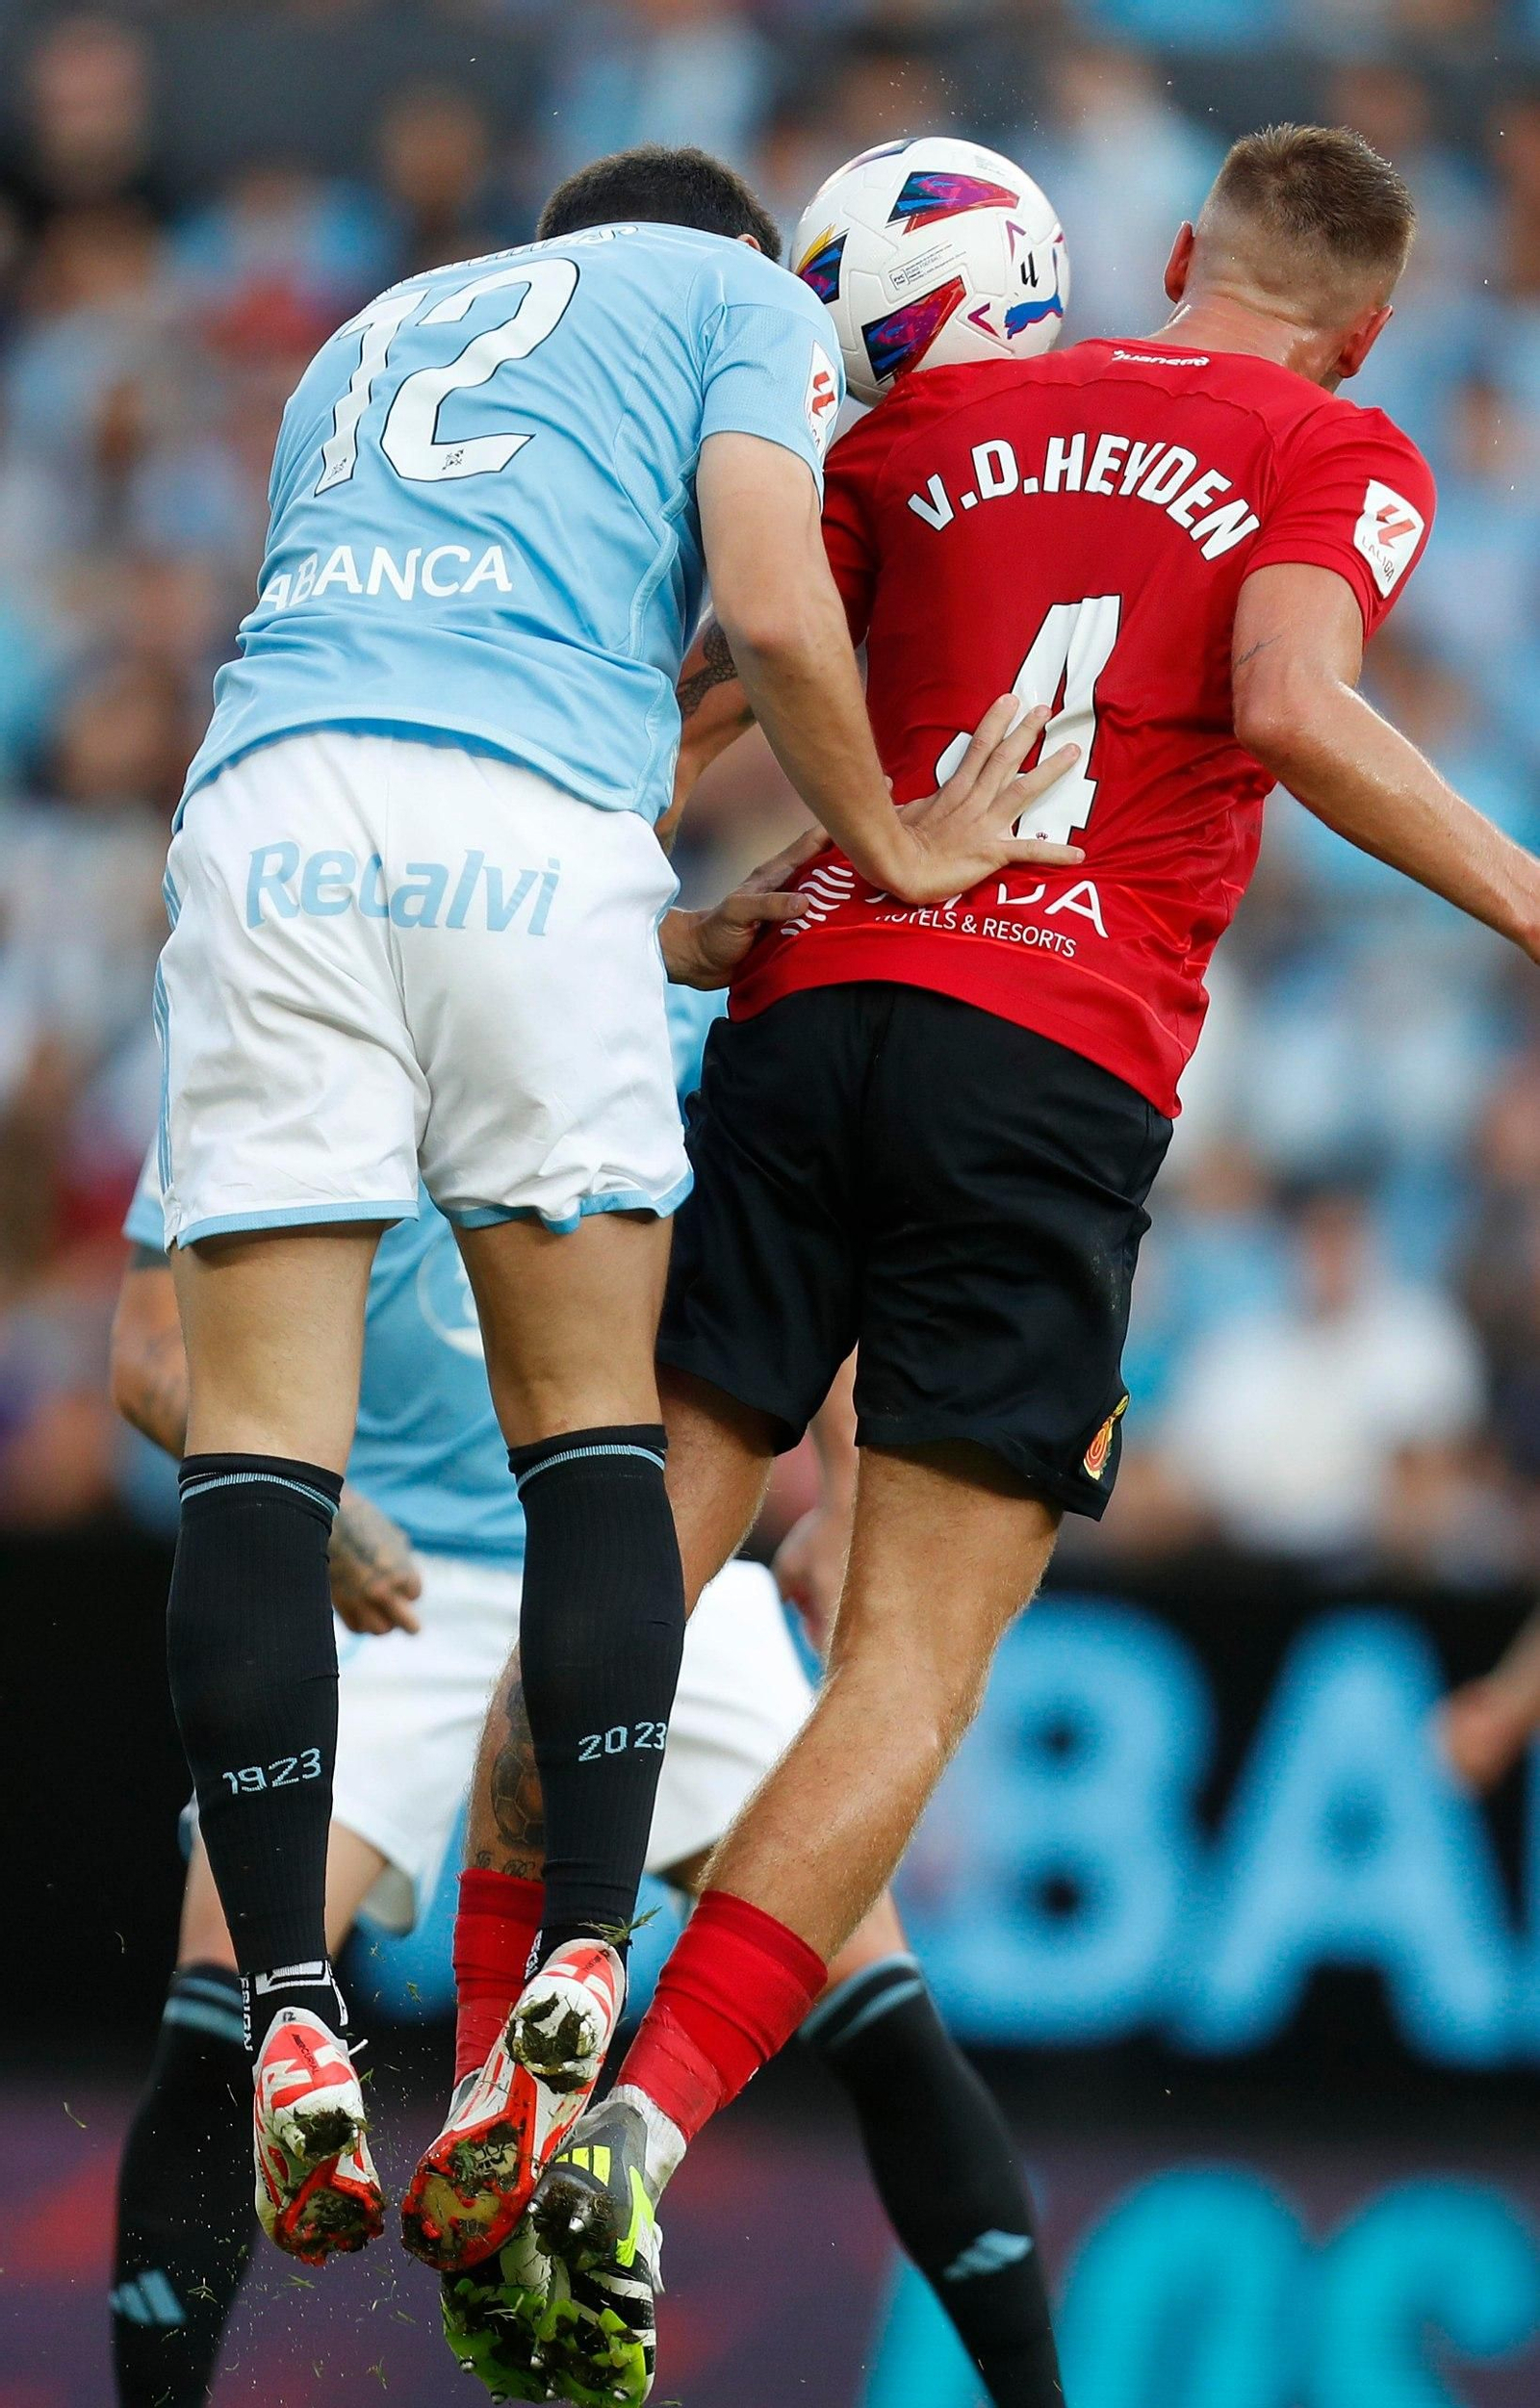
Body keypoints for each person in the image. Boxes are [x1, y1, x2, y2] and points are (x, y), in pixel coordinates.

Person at [455, 123, 1540, 2401]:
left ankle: (487, 2060)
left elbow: (694, 705)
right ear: (1359, 326)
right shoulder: (1330, 439)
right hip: (1045, 1062)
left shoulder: (922, 410)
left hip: (808, 1000)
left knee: (637, 1546)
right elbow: (1284, 704)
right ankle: (633, 2136)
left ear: (1160, 260)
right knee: (908, 1670)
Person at [150, 137, 1078, 2263]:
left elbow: (424, 660)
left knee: (254, 1462)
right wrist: (907, 844)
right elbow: (762, 597)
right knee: (593, 1431)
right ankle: (581, 1957)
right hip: (525, 837)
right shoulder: (732, 305)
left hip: (267, 814)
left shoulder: (362, 339)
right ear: (748, 267)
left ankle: (293, 2005)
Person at [108, 989, 1063, 2408]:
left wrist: (845, 1494)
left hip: (646, 1564)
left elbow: (823, 1243)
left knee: (874, 1988)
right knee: (228, 1994)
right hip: (408, 1579)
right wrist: (323, 1509)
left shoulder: (662, 992)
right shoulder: (295, 1000)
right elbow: (147, 1354)